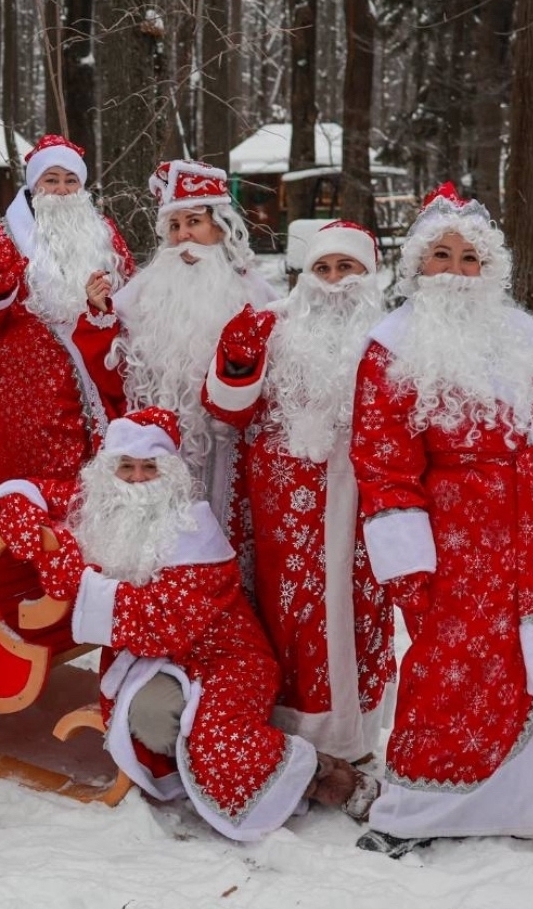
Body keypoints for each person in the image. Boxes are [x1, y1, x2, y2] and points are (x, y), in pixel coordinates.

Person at [348, 183, 533, 856]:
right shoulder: (390, 347)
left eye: (470, 257)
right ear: (418, 264)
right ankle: (416, 809)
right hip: (452, 534)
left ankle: (524, 801)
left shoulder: (515, 333)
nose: (456, 270)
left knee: (528, 656)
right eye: (442, 255)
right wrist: (408, 565)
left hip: (528, 529)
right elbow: (383, 462)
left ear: (489, 268)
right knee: (446, 666)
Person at [0, 408, 378, 841]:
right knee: (152, 721)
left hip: (228, 658)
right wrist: (40, 538)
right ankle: (196, 766)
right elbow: (23, 495)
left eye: (149, 467)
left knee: (219, 741)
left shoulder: (194, 532)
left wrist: (71, 572)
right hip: (158, 661)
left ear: (168, 472)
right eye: (126, 466)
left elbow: (158, 624)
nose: (136, 479)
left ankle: (328, 778)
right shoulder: (102, 504)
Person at [202, 220, 392, 764]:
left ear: (369, 273)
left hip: (364, 497)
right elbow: (226, 408)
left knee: (359, 609)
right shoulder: (274, 326)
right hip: (285, 507)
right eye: (322, 268)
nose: (332, 280)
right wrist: (237, 358)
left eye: (346, 267)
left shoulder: (390, 337)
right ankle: (292, 728)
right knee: (293, 615)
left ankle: (353, 734)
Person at [109, 159, 280, 571]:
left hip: (232, 452)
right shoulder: (141, 294)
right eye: (174, 225)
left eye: (194, 222)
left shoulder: (255, 293)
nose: (183, 235)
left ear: (219, 227)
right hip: (160, 455)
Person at [0, 134, 134, 490]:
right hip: (28, 391)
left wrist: (106, 304)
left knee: (95, 479)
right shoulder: (6, 238)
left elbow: (130, 294)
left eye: (71, 181)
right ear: (34, 185)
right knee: (34, 486)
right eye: (51, 180)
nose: (62, 190)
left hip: (96, 375)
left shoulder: (104, 233)